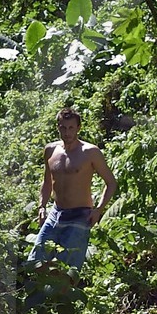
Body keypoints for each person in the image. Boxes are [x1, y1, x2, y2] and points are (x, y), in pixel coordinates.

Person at [27, 105, 115, 272]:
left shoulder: (90, 152)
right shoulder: (51, 150)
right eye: (63, 128)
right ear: (58, 127)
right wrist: (41, 207)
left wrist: (98, 210)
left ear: (78, 128)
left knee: (67, 269)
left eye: (71, 128)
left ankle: (65, 289)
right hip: (56, 212)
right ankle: (43, 289)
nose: (67, 132)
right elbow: (47, 182)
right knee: (36, 262)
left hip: (80, 215)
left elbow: (111, 182)